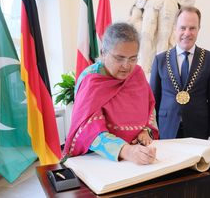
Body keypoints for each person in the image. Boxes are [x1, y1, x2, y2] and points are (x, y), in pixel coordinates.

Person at [63, 22, 159, 165]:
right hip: (100, 159)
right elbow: (89, 129)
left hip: (139, 154)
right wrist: (126, 151)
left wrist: (145, 132)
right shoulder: (91, 80)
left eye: (132, 59)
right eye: (119, 58)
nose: (126, 66)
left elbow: (149, 109)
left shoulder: (137, 74)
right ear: (103, 53)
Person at [150, 6, 210, 140]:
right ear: (175, 29)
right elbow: (153, 100)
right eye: (183, 28)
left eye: (192, 28)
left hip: (199, 130)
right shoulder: (160, 60)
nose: (187, 33)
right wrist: (151, 130)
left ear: (199, 29)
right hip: (166, 129)